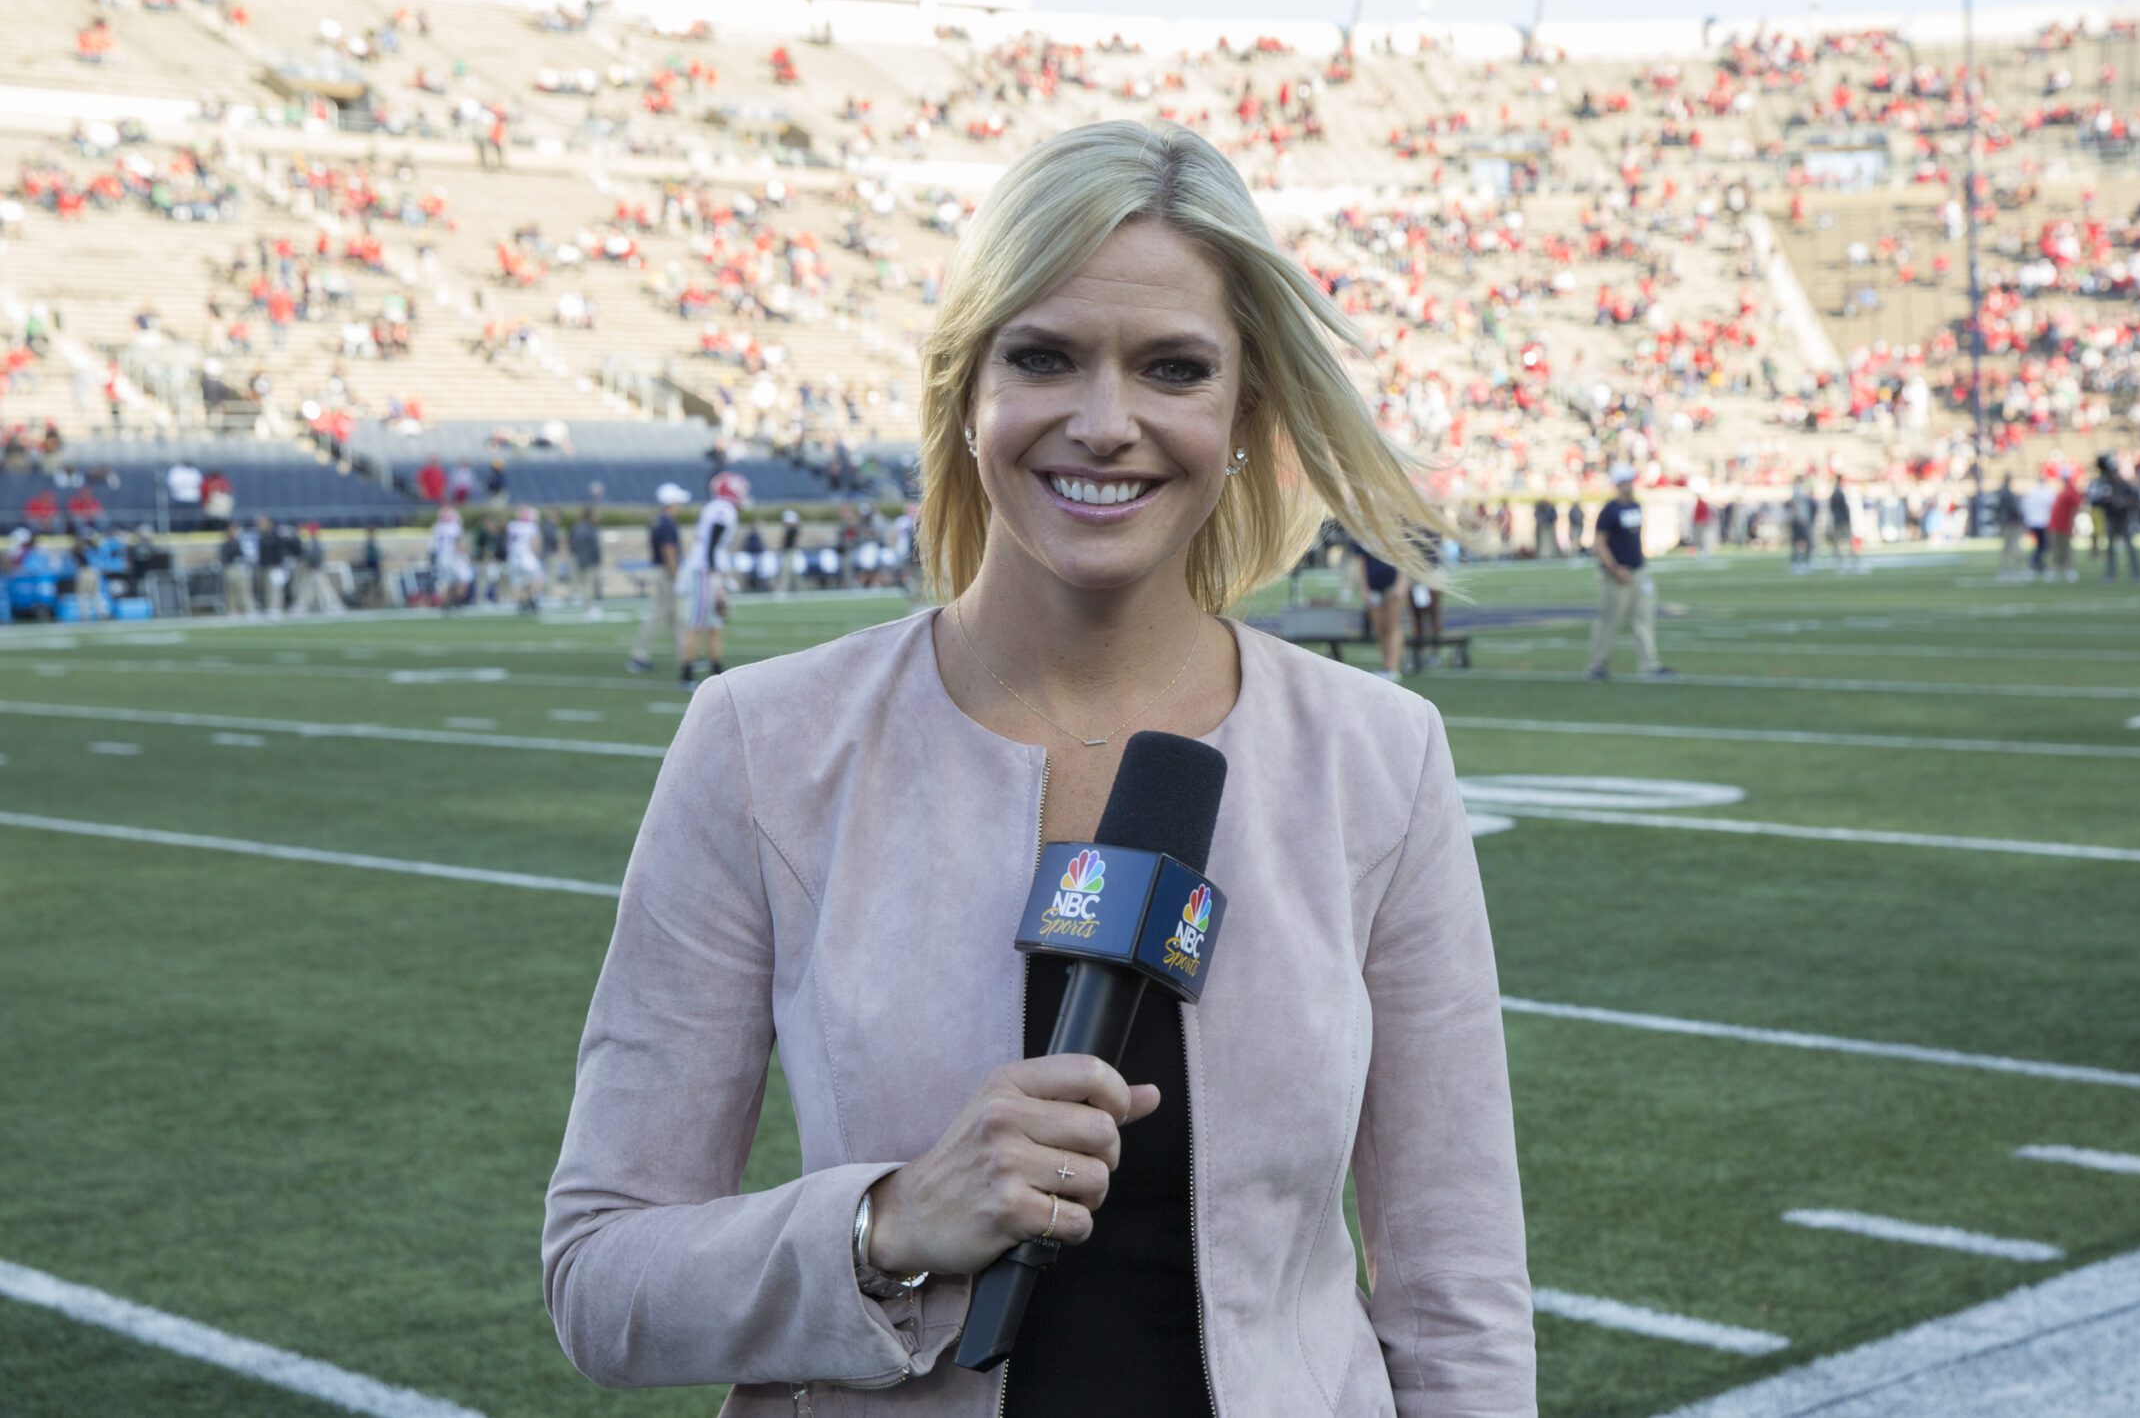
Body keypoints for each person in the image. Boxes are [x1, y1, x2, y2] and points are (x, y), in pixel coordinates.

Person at [543, 120, 1533, 1414]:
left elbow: (1458, 1297)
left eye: (1174, 367)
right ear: (967, 390)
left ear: (1244, 413)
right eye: (1046, 355)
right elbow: (600, 1273)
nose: (1106, 420)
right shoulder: (761, 743)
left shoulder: (1377, 757)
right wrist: (884, 1220)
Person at [1587, 464, 1671, 680]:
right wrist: (1615, 569)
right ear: (1618, 484)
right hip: (1616, 575)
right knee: (1610, 619)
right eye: (1626, 482)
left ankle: (1650, 665)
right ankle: (1598, 664)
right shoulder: (1609, 511)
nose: (1630, 486)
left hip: (1638, 571)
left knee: (1643, 619)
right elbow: (1599, 543)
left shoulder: (1636, 506)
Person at [676, 470, 745, 686]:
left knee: (715, 623)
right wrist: (717, 575)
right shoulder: (722, 508)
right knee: (697, 623)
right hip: (705, 570)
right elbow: (714, 541)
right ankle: (686, 674)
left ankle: (718, 673)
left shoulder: (719, 507)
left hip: (709, 569)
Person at [627, 485, 684, 671]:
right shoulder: (666, 523)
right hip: (666, 573)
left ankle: (685, 655)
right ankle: (639, 654)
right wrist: (676, 575)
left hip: (663, 571)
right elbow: (668, 550)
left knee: (675, 616)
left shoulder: (658, 521)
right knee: (659, 614)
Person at [1348, 532, 1405, 677]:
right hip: (1373, 587)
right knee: (1379, 627)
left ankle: (1393, 667)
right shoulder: (1360, 531)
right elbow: (1360, 561)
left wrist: (1400, 584)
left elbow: (1403, 558)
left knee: (1392, 625)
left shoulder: (1392, 527)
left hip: (1391, 584)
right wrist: (1364, 588)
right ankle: (1386, 664)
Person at [506, 504, 546, 612]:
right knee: (538, 578)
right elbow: (534, 543)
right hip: (526, 556)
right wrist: (537, 554)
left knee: (518, 582)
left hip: (513, 556)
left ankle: (520, 604)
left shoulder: (512, 525)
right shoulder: (531, 527)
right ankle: (533, 600)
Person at [568, 506, 604, 613]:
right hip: (590, 561)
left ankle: (586, 607)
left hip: (580, 559)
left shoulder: (577, 528)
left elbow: (573, 543)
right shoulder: (590, 529)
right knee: (589, 586)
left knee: (584, 585)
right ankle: (588, 609)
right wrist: (598, 559)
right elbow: (595, 547)